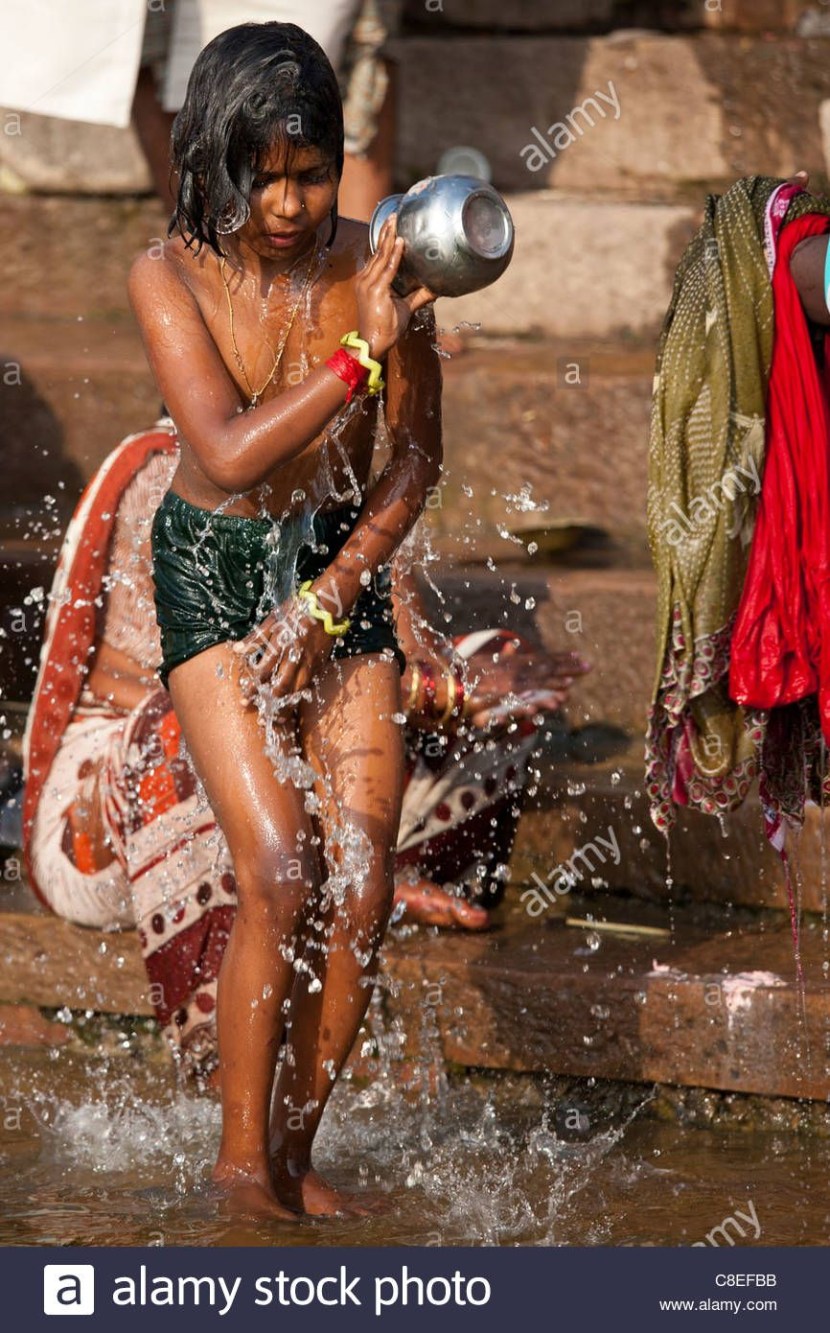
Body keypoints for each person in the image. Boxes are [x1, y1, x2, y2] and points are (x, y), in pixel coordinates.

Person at [22, 427, 585, 1087]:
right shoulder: (181, 474)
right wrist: (446, 691)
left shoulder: (341, 476)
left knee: (501, 677)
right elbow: (244, 686)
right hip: (119, 814)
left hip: (282, 782)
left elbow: (399, 662)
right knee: (189, 729)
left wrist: (460, 676)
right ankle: (222, 1069)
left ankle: (355, 878)